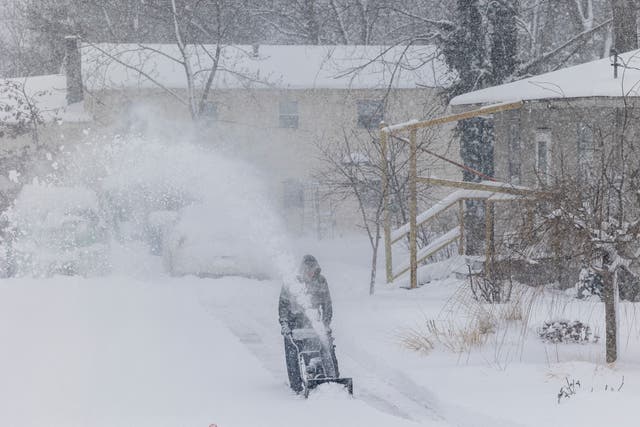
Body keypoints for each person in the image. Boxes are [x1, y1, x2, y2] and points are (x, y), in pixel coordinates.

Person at [279, 255, 339, 393]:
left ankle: (334, 378)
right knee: (292, 349)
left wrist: (326, 324)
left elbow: (327, 305)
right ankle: (296, 385)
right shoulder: (292, 282)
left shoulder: (321, 281)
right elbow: (283, 306)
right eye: (308, 270)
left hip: (314, 322)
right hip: (295, 324)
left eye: (313, 270)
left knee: (327, 346)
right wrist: (285, 325)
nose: (311, 273)